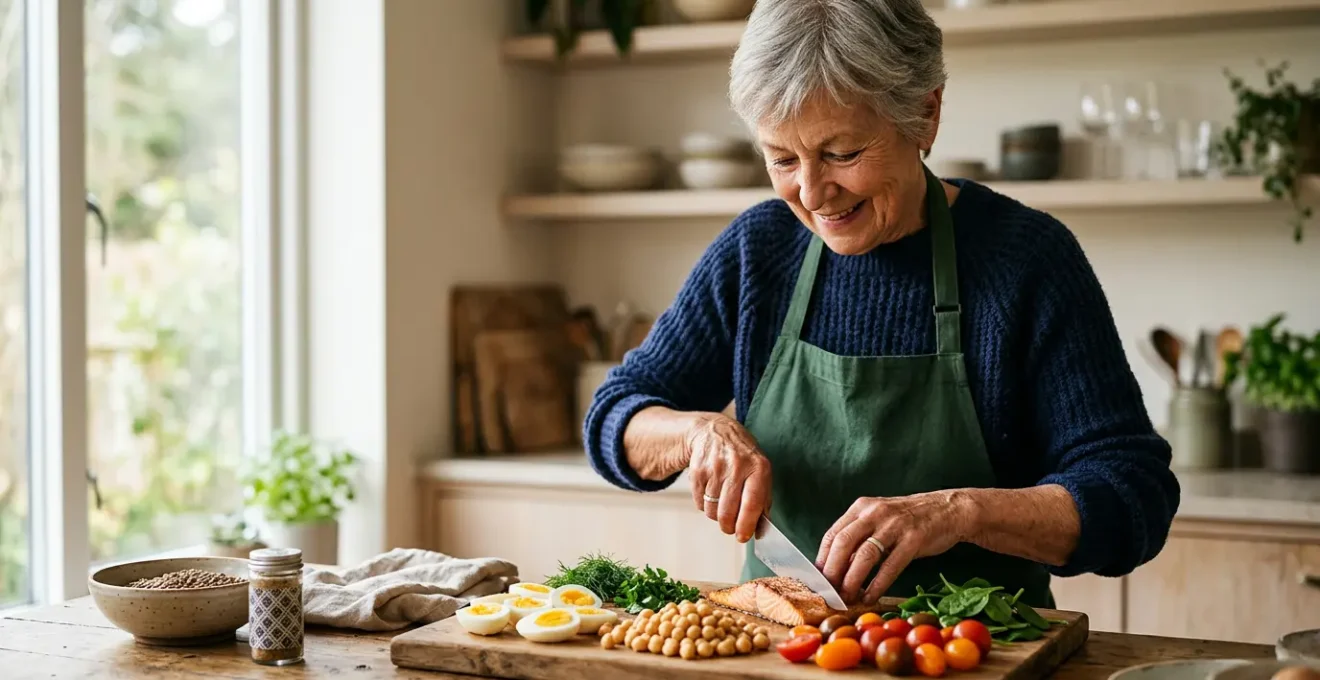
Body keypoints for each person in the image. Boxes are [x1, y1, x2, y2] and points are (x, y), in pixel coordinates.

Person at [582, 0, 1179, 608]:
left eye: (841, 154)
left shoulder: (1025, 260)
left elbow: (1133, 493)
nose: (813, 194)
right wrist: (697, 433)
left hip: (981, 654)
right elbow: (614, 417)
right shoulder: (757, 251)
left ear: (925, 114)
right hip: (784, 653)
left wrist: (959, 511)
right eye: (783, 159)